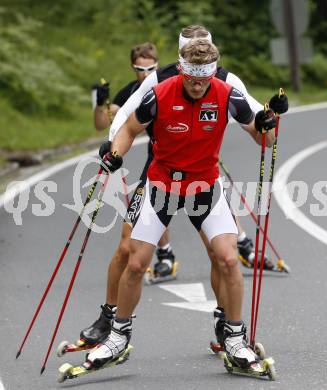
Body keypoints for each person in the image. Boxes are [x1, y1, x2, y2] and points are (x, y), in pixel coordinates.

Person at [87, 38, 279, 371]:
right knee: (136, 262)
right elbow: (129, 130)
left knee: (229, 259)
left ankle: (234, 338)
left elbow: (264, 139)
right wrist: (115, 153)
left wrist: (268, 126)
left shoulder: (227, 94)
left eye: (204, 75)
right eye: (191, 74)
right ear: (181, 68)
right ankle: (118, 336)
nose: (197, 82)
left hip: (204, 187)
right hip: (162, 185)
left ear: (213, 72)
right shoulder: (159, 94)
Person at [80, 42, 177, 345]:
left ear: (158, 64)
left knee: (215, 225)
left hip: (191, 164)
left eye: (150, 68)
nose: (145, 73)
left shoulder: (169, 85)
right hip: (156, 166)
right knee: (128, 238)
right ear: (132, 67)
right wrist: (100, 102)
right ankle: (110, 318)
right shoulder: (130, 94)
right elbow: (105, 125)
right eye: (140, 69)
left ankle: (240, 244)